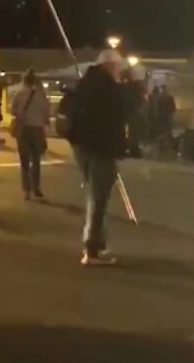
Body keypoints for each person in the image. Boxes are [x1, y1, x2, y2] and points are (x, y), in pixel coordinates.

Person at [67, 49, 129, 265]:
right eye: (117, 67)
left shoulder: (85, 83)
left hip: (82, 146)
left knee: (95, 196)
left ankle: (95, 244)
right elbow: (120, 115)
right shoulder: (107, 87)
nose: (119, 71)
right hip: (101, 148)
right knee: (98, 199)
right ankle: (92, 248)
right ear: (110, 65)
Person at [11, 69, 51, 200]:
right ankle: (36, 187)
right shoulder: (42, 96)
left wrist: (21, 114)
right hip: (38, 130)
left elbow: (13, 111)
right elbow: (46, 114)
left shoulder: (19, 94)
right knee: (36, 160)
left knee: (24, 161)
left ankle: (26, 190)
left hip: (23, 129)